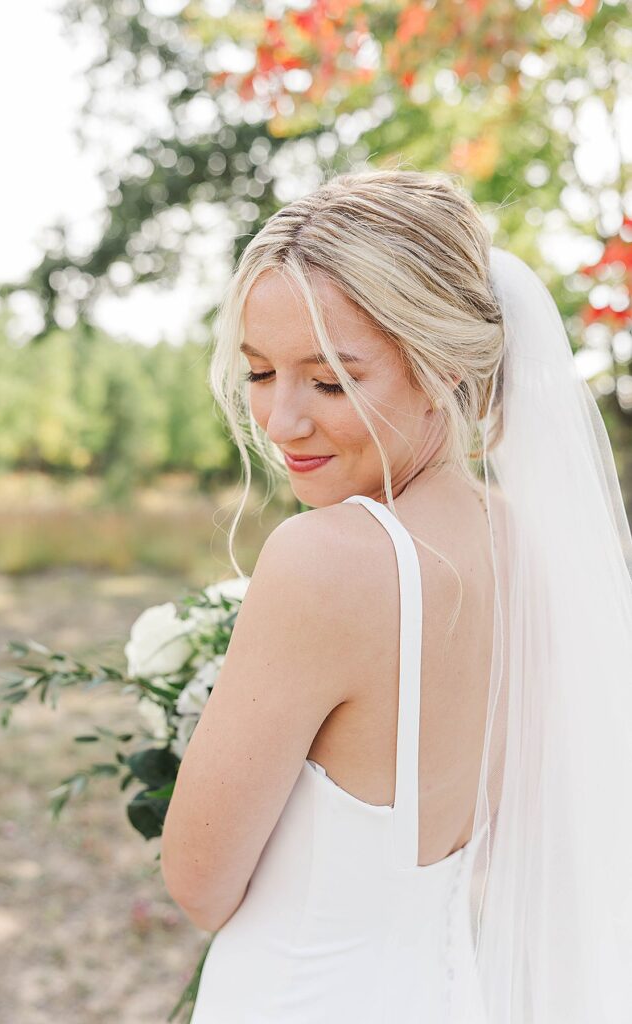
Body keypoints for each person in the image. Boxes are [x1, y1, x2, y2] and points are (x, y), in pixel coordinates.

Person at [161, 169, 632, 1022]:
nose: (280, 420)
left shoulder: (325, 559)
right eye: (260, 372)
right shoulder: (521, 543)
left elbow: (199, 884)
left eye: (331, 381)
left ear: (443, 364)